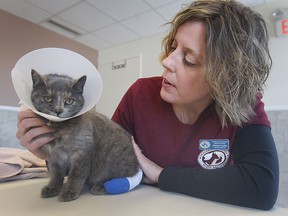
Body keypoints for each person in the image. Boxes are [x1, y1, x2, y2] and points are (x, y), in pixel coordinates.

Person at [17, 0, 279, 210]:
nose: (167, 61)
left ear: (224, 80)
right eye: (173, 47)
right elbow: (91, 164)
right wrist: (50, 153)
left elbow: (261, 188)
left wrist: (158, 173)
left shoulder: (244, 105)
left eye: (188, 59)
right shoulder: (140, 93)